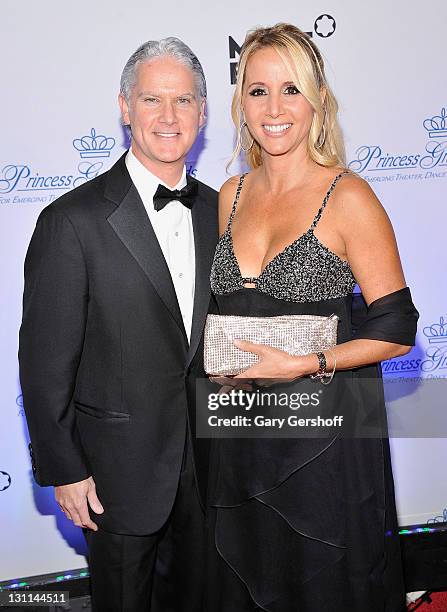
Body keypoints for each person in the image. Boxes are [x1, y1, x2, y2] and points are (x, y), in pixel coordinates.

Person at [206, 23, 418, 611]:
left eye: (291, 90)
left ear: (318, 100)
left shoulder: (349, 196)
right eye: (257, 91)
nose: (274, 108)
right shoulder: (230, 194)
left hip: (323, 448)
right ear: (239, 102)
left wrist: (303, 364)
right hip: (240, 436)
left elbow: (398, 330)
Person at [18, 37, 217, 611]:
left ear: (202, 114)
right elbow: (45, 362)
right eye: (151, 99)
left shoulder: (223, 212)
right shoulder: (71, 221)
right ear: (124, 107)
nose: (168, 116)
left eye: (182, 101)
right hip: (115, 477)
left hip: (212, 473)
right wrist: (65, 468)